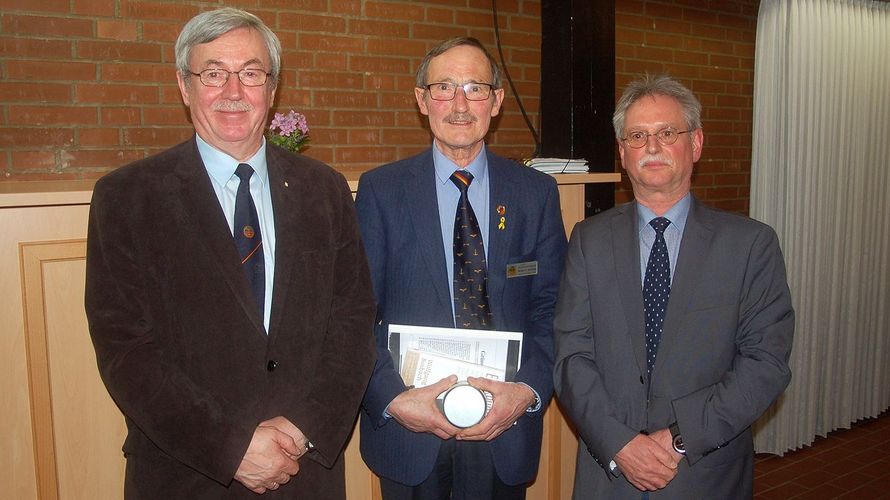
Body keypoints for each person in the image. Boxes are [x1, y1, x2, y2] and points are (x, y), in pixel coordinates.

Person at [84, 7, 376, 499]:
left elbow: (352, 322)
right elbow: (126, 349)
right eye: (214, 73)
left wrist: (301, 430)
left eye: (251, 73)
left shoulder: (324, 190)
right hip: (187, 472)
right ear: (184, 86)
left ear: (273, 87)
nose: (234, 92)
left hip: (304, 470)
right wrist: (231, 446)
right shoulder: (127, 197)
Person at [552, 73, 795, 499]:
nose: (651, 147)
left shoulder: (750, 245)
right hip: (608, 476)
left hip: (703, 471)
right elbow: (571, 354)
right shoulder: (588, 240)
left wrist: (679, 438)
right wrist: (621, 443)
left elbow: (765, 364)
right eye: (637, 136)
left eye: (667, 133)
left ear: (696, 144)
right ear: (622, 152)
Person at [355, 37, 567, 499]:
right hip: (411, 434)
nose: (459, 104)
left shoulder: (536, 194)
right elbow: (355, 313)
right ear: (421, 99)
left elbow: (554, 307)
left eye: (474, 88)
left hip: (502, 427)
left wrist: (528, 391)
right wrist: (391, 398)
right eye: (444, 88)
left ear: (496, 101)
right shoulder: (380, 192)